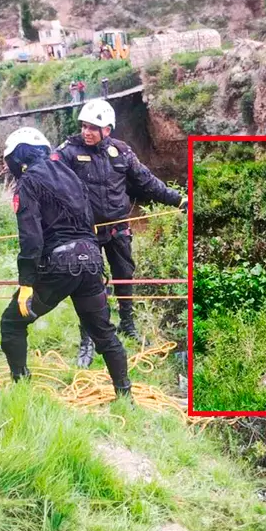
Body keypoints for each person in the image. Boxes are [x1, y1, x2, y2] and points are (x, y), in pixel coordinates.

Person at [53, 99, 187, 367]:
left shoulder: (122, 152)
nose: (86, 132)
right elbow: (49, 181)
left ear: (107, 129)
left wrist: (179, 200)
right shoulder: (67, 152)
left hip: (118, 229)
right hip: (85, 233)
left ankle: (127, 324)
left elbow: (147, 182)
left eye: (93, 128)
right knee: (88, 284)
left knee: (125, 276)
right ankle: (88, 339)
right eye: (84, 126)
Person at [0, 127, 131, 398]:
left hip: (59, 266)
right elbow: (89, 223)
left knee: (12, 322)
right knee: (104, 334)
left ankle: (20, 387)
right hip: (91, 260)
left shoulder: (28, 182)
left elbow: (31, 239)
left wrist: (26, 284)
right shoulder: (71, 175)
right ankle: (125, 396)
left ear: (18, 157)